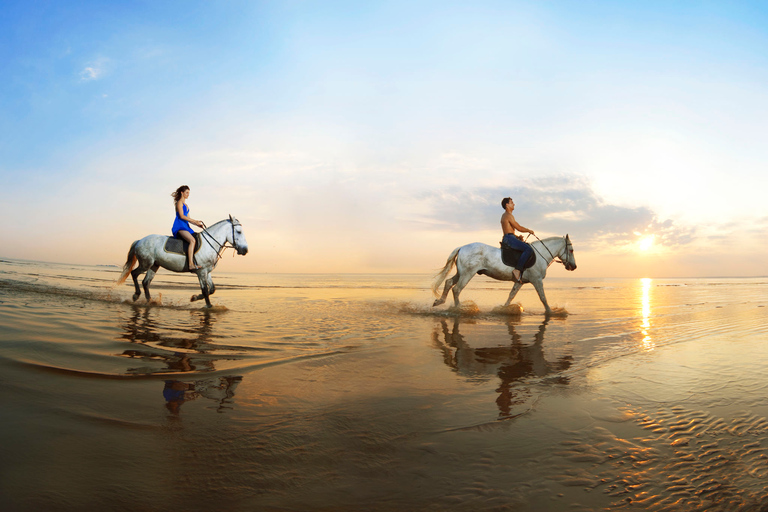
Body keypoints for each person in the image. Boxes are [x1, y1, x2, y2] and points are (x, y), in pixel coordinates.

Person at [500, 197, 535, 283]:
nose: (514, 204)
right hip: (509, 238)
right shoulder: (508, 215)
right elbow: (518, 227)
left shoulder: (506, 215)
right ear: (507, 205)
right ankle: (517, 269)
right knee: (528, 249)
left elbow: (510, 230)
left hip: (510, 237)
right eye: (512, 202)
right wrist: (528, 230)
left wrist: (516, 237)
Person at [171, 185, 204, 270]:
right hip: (180, 226)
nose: (188, 194)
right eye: (186, 193)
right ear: (182, 193)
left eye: (189, 193)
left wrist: (197, 224)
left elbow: (188, 218)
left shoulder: (186, 205)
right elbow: (182, 216)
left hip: (186, 226)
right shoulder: (179, 203)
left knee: (197, 239)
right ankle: (190, 264)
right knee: (192, 240)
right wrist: (195, 221)